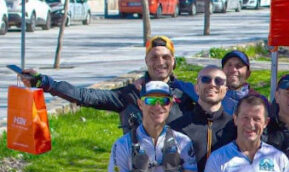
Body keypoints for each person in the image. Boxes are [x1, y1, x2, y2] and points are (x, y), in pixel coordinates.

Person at [20, 35, 196, 132]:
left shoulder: (188, 92)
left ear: (173, 61)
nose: (160, 62)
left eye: (166, 57)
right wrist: (45, 83)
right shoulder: (130, 94)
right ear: (146, 61)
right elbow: (86, 96)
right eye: (154, 57)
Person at [221, 49, 252, 114]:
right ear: (221, 71)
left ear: (248, 73)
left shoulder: (258, 100)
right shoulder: (212, 98)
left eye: (239, 66)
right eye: (229, 65)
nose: (233, 70)